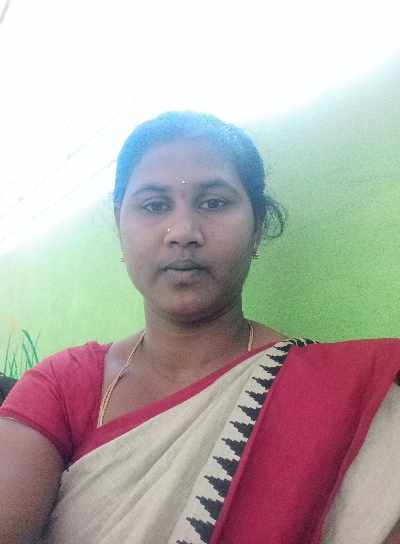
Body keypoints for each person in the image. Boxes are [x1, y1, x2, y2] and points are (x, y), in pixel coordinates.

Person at [0, 111, 399, 544]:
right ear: (120, 224)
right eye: (154, 205)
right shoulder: (62, 386)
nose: (183, 232)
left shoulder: (339, 394)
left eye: (213, 203)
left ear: (257, 226)